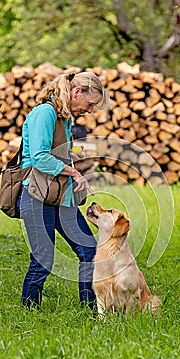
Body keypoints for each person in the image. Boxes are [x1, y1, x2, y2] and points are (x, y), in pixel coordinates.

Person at [19, 71, 109, 310]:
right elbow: (39, 158)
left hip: (61, 196)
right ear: (76, 92)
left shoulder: (65, 117)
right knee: (43, 259)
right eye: (89, 105)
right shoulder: (44, 113)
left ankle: (91, 312)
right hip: (37, 195)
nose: (89, 111)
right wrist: (74, 172)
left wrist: (70, 156)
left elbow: (52, 152)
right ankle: (29, 313)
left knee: (89, 251)